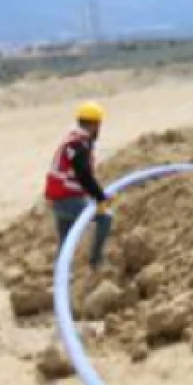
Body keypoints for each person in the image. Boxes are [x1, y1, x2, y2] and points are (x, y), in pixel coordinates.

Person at [44, 102, 113, 269]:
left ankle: (60, 277)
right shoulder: (79, 144)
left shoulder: (72, 139)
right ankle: (96, 263)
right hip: (69, 200)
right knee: (105, 218)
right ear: (94, 125)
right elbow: (84, 176)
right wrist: (100, 197)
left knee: (66, 243)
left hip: (57, 201)